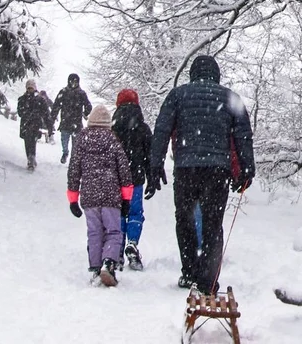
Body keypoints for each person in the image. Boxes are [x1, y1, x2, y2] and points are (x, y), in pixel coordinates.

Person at [148, 55, 255, 294]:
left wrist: (155, 165)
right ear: (216, 74)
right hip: (218, 170)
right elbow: (243, 135)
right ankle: (207, 281)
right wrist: (247, 169)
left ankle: (189, 273)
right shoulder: (230, 97)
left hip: (186, 169)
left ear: (193, 74)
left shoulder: (178, 95)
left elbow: (162, 129)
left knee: (185, 220)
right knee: (212, 225)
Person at [67, 105, 133, 287]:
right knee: (113, 231)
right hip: (111, 195)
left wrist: (73, 198)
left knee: (94, 232)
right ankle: (109, 262)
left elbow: (74, 170)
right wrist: (127, 197)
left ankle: (95, 267)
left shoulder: (82, 139)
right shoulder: (113, 140)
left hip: (89, 196)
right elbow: (124, 171)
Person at [112, 89, 152, 271]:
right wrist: (152, 176)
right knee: (135, 213)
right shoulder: (143, 128)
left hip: (116, 179)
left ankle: (118, 248)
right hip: (136, 178)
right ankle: (133, 243)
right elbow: (151, 155)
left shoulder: (112, 128)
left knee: (119, 213)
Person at [51, 73, 93, 164]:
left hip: (75, 124)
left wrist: (85, 113)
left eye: (76, 81)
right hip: (67, 122)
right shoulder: (64, 92)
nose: (74, 83)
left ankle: (73, 159)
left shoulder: (81, 93)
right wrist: (53, 117)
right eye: (72, 81)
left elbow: (89, 106)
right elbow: (56, 106)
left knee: (75, 145)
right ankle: (65, 153)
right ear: (68, 81)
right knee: (64, 141)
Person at [16, 79, 51, 171]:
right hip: (26, 124)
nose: (30, 89)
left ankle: (31, 158)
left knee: (32, 142)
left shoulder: (40, 99)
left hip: (35, 124)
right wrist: (26, 113)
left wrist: (49, 125)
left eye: (31, 88)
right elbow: (20, 112)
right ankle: (30, 158)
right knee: (27, 142)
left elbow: (46, 113)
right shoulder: (22, 99)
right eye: (29, 88)